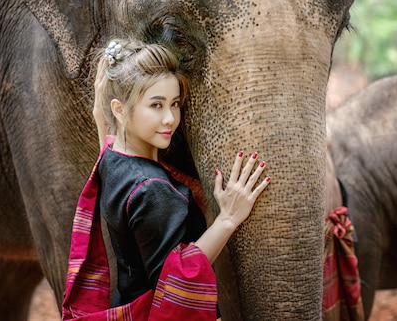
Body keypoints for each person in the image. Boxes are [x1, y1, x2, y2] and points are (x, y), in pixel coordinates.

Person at [61, 38, 271, 321]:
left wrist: (103, 116)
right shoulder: (153, 191)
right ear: (120, 109)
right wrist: (229, 218)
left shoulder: (112, 161)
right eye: (156, 105)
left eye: (174, 104)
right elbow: (175, 280)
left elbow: (108, 146)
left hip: (127, 302)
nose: (170, 118)